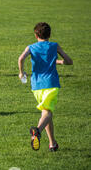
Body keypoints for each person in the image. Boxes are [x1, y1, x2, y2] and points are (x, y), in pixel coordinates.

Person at [18, 22, 73, 152]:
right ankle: (37, 131)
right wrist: (61, 61)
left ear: (36, 35)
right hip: (51, 84)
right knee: (47, 112)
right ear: (50, 35)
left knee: (46, 113)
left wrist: (21, 72)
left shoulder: (31, 47)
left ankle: (52, 144)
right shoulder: (54, 46)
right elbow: (69, 61)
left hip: (36, 85)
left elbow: (21, 59)